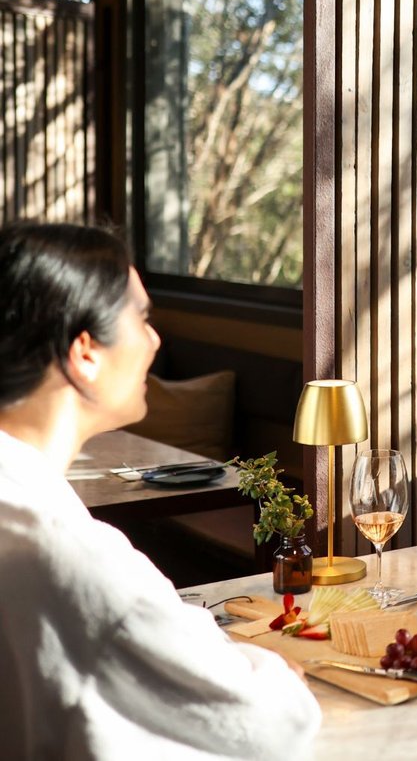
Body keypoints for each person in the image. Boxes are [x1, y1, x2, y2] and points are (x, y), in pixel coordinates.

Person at [0, 220, 320, 759]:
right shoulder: (74, 557)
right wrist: (274, 670)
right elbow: (270, 725)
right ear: (84, 352)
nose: (154, 340)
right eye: (142, 318)